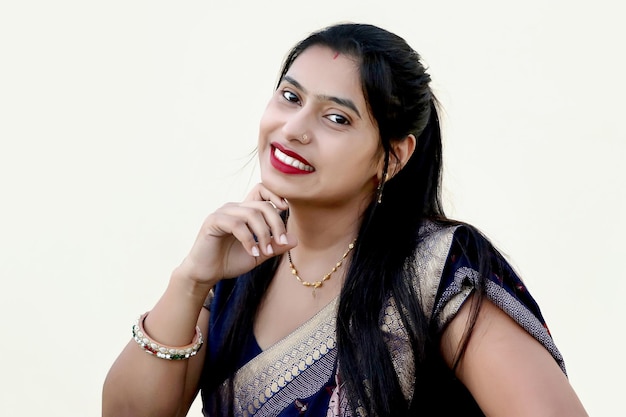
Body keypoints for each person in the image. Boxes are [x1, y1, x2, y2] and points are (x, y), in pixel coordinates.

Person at [102, 23, 588, 416]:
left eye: (336, 118)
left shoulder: (439, 269)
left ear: (393, 158)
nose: (293, 130)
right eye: (290, 98)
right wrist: (190, 280)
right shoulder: (238, 262)